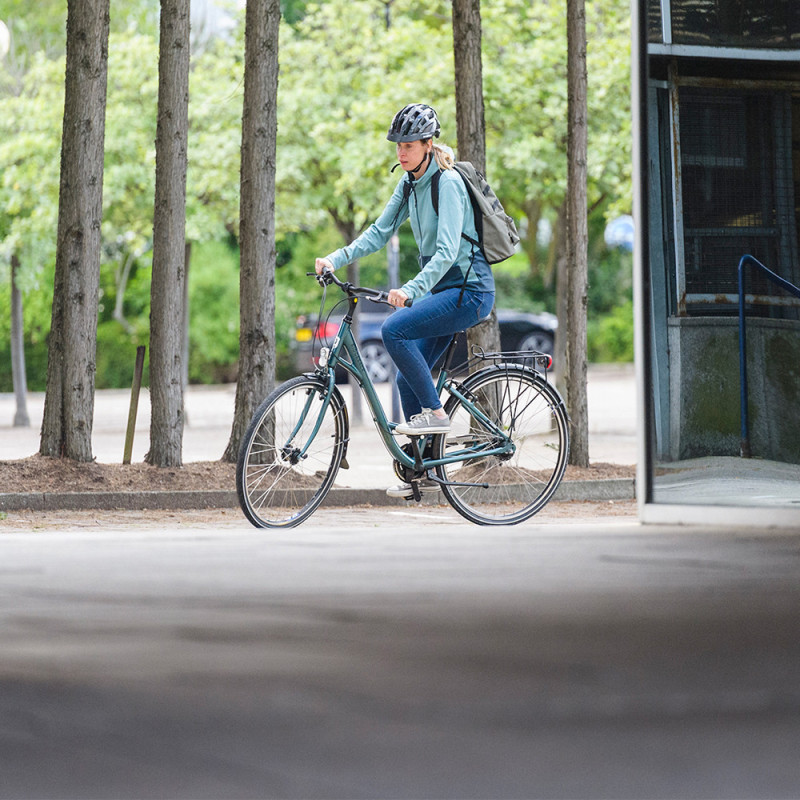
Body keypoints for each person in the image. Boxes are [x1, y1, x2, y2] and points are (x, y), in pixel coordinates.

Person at [315, 103, 495, 498]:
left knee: (394, 329)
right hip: (444, 292)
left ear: (428, 144)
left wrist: (411, 289)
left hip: (469, 291)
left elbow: (447, 251)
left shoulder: (446, 182)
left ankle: (435, 415)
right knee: (404, 378)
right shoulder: (410, 183)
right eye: (398, 145)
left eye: (409, 145)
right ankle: (423, 472)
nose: (401, 152)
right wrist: (335, 257)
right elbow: (379, 232)